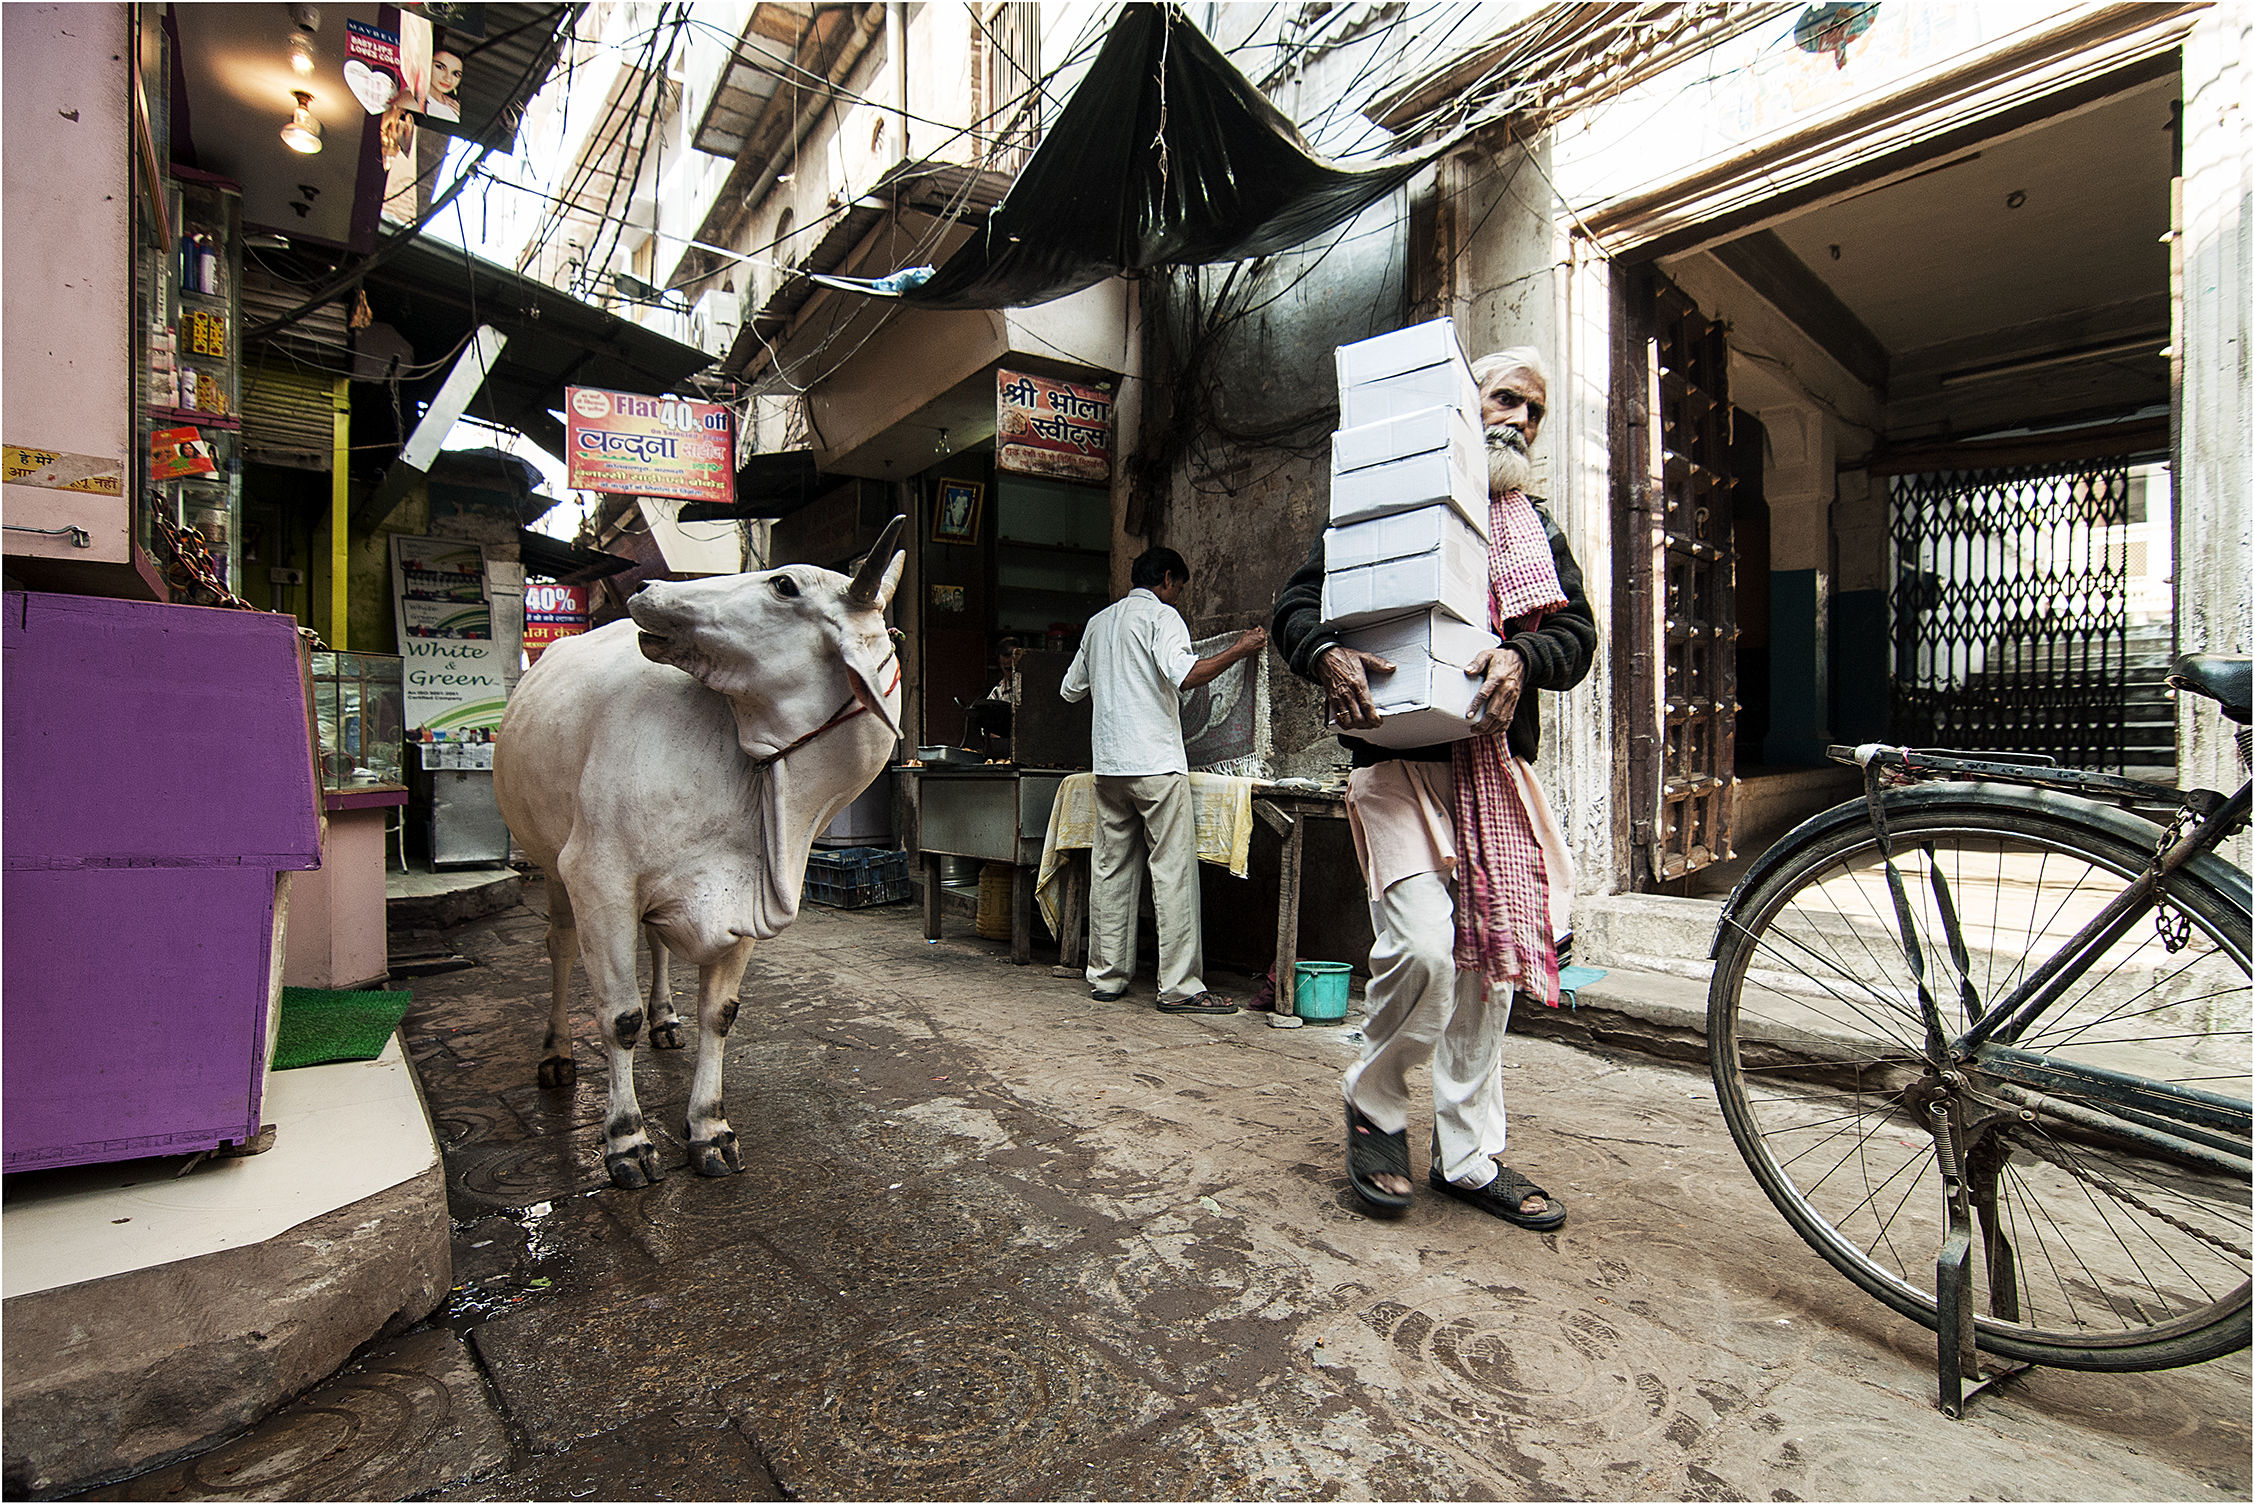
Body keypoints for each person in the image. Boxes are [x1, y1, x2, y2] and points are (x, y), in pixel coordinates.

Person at [1271, 347, 1596, 1227]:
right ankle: (1374, 1106)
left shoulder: (1536, 533)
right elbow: (1296, 608)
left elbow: (1576, 636)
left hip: (1493, 775)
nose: (1518, 422)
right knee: (1420, 950)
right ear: (1463, 402)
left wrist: (1522, 656)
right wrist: (1325, 652)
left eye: (1534, 411)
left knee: (1488, 976)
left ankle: (1467, 1155)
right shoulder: (1388, 504)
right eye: (1504, 400)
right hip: (1395, 768)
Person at [1063, 548, 1267, 1015]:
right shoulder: (1162, 617)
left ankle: (1107, 978)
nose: (1179, 596)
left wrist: (1113, 677)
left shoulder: (1098, 624)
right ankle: (1179, 987)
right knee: (1171, 872)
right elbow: (1187, 674)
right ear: (1168, 580)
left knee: (1111, 870)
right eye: (1180, 587)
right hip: (1155, 763)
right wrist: (1239, 650)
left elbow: (1070, 689)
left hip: (1110, 767)